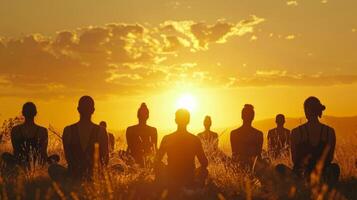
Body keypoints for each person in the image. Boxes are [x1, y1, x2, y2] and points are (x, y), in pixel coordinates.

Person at [277, 97, 340, 186]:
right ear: (318, 111)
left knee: (279, 168)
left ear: (306, 111)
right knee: (335, 168)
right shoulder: (329, 131)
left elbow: (294, 160)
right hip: (322, 175)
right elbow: (330, 158)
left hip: (300, 177)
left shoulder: (296, 132)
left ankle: (295, 187)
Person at [48, 96, 109, 182]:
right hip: (94, 176)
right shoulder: (101, 131)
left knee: (53, 168)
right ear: (93, 110)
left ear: (78, 109)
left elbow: (68, 158)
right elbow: (105, 159)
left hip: (73, 174)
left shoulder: (68, 130)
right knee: (118, 168)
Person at [155, 109, 208, 195]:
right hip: (189, 176)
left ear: (175, 120)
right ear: (188, 121)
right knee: (204, 170)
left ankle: (164, 187)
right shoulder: (195, 140)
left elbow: (157, 160)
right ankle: (193, 189)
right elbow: (204, 163)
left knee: (158, 166)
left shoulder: (167, 138)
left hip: (171, 175)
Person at [1, 102, 59, 171]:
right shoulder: (42, 131)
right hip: (37, 162)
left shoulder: (15, 130)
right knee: (56, 157)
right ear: (35, 113)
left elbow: (16, 151)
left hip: (20, 162)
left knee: (5, 155)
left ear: (23, 113)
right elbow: (43, 152)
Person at [230, 104, 263, 169]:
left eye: (249, 115)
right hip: (252, 167)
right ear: (253, 117)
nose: (248, 117)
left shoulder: (234, 133)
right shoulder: (258, 134)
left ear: (242, 116)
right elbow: (258, 155)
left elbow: (234, 155)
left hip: (240, 167)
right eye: (247, 115)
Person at [126, 103, 157, 167]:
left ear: (137, 115)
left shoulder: (130, 129)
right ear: (148, 116)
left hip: (135, 161)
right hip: (144, 162)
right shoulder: (152, 130)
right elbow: (155, 149)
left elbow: (129, 147)